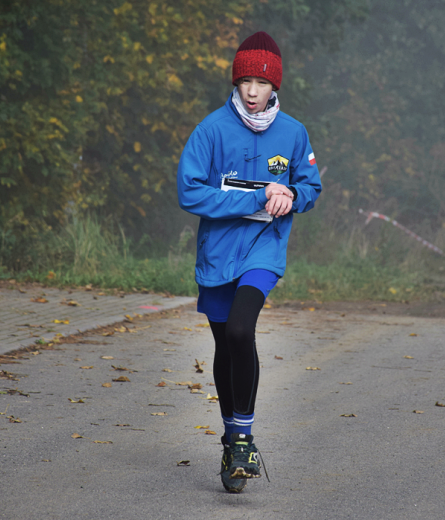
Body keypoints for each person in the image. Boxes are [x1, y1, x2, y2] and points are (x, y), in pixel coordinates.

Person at [177, 31, 322, 493]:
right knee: (225, 343)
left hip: (264, 248)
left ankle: (243, 436)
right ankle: (230, 438)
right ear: (236, 82)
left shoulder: (294, 132)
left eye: (261, 82)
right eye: (245, 82)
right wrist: (253, 197)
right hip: (218, 253)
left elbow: (311, 187)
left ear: (274, 84)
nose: (253, 91)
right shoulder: (211, 129)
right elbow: (189, 191)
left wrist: (293, 195)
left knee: (242, 329)